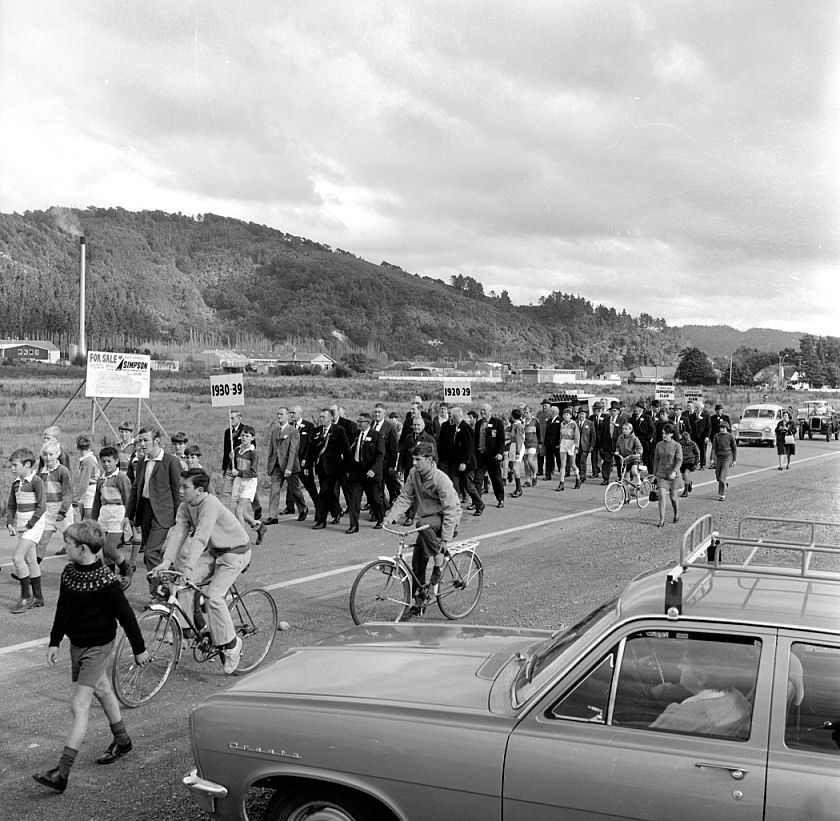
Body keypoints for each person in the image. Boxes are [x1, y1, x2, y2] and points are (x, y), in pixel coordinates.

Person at [33, 520, 149, 793]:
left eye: (68, 544)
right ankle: (123, 741)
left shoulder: (107, 582)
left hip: (99, 646)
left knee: (80, 704)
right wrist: (54, 642)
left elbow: (127, 617)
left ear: (82, 548)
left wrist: (139, 649)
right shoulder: (69, 572)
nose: (64, 547)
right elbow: (62, 608)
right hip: (77, 644)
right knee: (103, 689)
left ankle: (61, 773)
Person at [151, 469, 252, 675]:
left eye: (185, 487)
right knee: (183, 584)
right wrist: (166, 562)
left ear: (199, 490)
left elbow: (201, 537)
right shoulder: (185, 506)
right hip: (214, 552)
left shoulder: (210, 503)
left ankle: (232, 645)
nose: (180, 490)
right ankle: (188, 633)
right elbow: (179, 534)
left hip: (235, 553)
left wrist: (188, 568)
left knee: (213, 597)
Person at [387, 442, 462, 618]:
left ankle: (438, 562)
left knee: (420, 524)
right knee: (417, 562)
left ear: (429, 460)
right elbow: (405, 497)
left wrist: (445, 539)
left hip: (444, 520)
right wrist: (391, 516)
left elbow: (451, 509)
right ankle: (419, 601)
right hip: (427, 523)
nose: (414, 463)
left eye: (418, 459)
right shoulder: (414, 474)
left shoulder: (440, 479)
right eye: (413, 459)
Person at [125, 427, 182, 599]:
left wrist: (179, 521)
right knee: (160, 556)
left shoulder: (171, 462)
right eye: (139, 441)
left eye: (145, 441)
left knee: (150, 554)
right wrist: (128, 515)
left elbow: (178, 492)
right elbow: (136, 489)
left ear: (157, 441)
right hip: (146, 511)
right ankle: (172, 589)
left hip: (164, 514)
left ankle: (160, 594)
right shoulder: (142, 461)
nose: (141, 444)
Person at [649, 642, 752, 738]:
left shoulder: (684, 715)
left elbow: (649, 740)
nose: (679, 667)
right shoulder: (738, 697)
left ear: (701, 678)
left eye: (685, 664)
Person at [6, 448, 47, 613]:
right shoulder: (16, 483)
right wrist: (9, 523)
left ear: (27, 464)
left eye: (15, 465)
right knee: (30, 560)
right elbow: (11, 506)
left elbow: (42, 506)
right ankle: (38, 596)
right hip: (23, 524)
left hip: (34, 525)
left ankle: (25, 597)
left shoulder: (36, 481)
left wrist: (29, 525)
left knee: (17, 558)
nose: (12, 468)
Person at [91, 446, 133, 587]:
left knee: (110, 548)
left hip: (118, 513)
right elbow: (97, 501)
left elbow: (128, 498)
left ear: (116, 461)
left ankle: (125, 569)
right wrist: (93, 520)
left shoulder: (121, 478)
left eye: (109, 461)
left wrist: (128, 517)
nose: (106, 464)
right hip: (104, 513)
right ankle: (110, 577)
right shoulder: (101, 479)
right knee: (104, 551)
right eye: (103, 461)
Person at [33, 441, 74, 564]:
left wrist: (62, 511)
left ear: (57, 454)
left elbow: (68, 493)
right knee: (42, 541)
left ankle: (83, 566)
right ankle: (31, 572)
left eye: (51, 454)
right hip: (47, 511)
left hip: (62, 509)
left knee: (71, 540)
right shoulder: (41, 472)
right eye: (45, 454)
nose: (48, 457)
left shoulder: (63, 471)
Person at [265, 407, 308, 523]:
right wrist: (269, 466)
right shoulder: (274, 431)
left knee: (294, 490)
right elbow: (271, 450)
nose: (279, 416)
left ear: (288, 416)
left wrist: (289, 468)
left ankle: (303, 508)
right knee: (274, 491)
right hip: (276, 467)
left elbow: (293, 451)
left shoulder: (293, 431)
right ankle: (273, 516)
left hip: (290, 467)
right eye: (278, 414)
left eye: (282, 414)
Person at [345, 412, 385, 533]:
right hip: (357, 472)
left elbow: (380, 455)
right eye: (358, 421)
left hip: (370, 472)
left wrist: (373, 470)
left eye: (360, 422)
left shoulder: (377, 436)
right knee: (354, 500)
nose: (358, 424)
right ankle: (353, 525)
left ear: (367, 423)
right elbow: (350, 452)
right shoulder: (356, 435)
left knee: (375, 499)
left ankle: (381, 519)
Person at [310, 408, 350, 529]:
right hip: (321, 467)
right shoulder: (317, 431)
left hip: (334, 468)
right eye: (320, 417)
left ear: (330, 418)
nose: (320, 419)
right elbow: (312, 449)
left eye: (323, 417)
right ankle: (337, 511)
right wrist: (307, 464)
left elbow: (346, 450)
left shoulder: (338, 430)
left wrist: (348, 468)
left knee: (323, 493)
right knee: (329, 492)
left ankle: (321, 520)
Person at [229, 425, 266, 543]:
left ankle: (242, 538)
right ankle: (259, 526)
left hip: (249, 483)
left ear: (252, 438)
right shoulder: (236, 450)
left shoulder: (253, 453)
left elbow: (254, 472)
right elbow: (232, 468)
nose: (244, 437)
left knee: (238, 511)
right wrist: (231, 459)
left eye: (247, 436)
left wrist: (238, 472)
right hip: (239, 482)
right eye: (243, 435)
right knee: (243, 512)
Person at [449, 406, 483, 516]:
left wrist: (464, 462)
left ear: (455, 416)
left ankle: (479, 504)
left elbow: (468, 446)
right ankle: (454, 506)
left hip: (465, 463)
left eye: (451, 415)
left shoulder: (465, 427)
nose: (450, 417)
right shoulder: (456, 427)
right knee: (455, 484)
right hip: (456, 462)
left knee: (469, 486)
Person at [474, 403, 506, 507]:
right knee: (477, 479)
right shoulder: (478, 423)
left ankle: (500, 499)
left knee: (496, 479)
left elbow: (501, 440)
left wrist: (500, 453)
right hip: (481, 456)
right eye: (481, 410)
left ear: (490, 411)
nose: (482, 412)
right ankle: (477, 502)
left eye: (484, 410)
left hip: (493, 456)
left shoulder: (497, 423)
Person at [653, 423, 683, 527]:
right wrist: (654, 474)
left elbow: (679, 460)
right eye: (662, 433)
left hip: (673, 475)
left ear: (671, 434)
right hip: (661, 474)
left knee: (673, 498)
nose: (664, 435)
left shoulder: (677, 446)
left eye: (666, 433)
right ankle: (661, 520)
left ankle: (676, 513)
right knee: (661, 496)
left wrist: (674, 471)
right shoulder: (659, 445)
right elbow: (656, 460)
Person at [290, 405, 319, 511]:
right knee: (292, 485)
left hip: (304, 461)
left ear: (300, 413)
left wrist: (306, 459)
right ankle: (292, 507)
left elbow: (310, 444)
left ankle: (318, 504)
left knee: (309, 484)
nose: (291, 415)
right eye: (291, 413)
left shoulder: (309, 426)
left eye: (294, 413)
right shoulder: (289, 426)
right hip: (292, 461)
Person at [74, 434, 100, 521]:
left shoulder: (87, 461)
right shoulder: (91, 458)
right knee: (84, 514)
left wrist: (76, 498)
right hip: (88, 489)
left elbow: (83, 482)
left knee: (87, 516)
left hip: (89, 490)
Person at [556, 408, 581, 491]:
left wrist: (576, 447)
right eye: (564, 414)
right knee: (562, 464)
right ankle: (561, 483)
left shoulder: (573, 424)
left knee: (572, 464)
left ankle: (578, 478)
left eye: (567, 414)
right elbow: (560, 434)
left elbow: (577, 436)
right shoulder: (561, 423)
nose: (565, 416)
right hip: (563, 443)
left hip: (571, 443)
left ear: (570, 416)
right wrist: (559, 443)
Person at [711, 421, 737, 501]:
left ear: (726, 428)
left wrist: (734, 460)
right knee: (718, 477)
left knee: (722, 477)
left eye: (723, 428)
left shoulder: (730, 436)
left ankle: (722, 494)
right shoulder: (717, 436)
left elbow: (734, 449)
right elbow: (714, 448)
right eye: (720, 428)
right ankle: (725, 484)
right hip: (719, 457)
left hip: (727, 458)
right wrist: (712, 459)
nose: (721, 429)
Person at [615, 421, 644, 488]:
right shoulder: (620, 437)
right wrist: (617, 451)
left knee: (633, 471)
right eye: (623, 429)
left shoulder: (634, 438)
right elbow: (617, 446)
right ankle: (627, 494)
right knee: (626, 478)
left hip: (633, 458)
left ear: (630, 430)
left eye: (626, 429)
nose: (624, 431)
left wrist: (638, 454)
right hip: (624, 459)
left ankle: (639, 479)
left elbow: (639, 447)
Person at [599, 403, 622, 484]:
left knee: (619, 462)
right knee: (607, 461)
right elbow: (601, 433)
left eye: (614, 411)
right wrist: (601, 445)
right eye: (611, 411)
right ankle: (605, 478)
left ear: (618, 412)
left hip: (618, 445)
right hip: (607, 444)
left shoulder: (622, 420)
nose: (612, 412)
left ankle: (620, 477)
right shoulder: (606, 420)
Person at [575, 408, 596, 485]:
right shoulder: (574, 422)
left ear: (585, 415)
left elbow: (593, 436)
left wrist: (592, 445)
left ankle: (582, 476)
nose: (581, 416)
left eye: (582, 414)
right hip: (576, 446)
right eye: (579, 414)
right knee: (577, 461)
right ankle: (579, 474)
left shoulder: (590, 423)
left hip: (585, 446)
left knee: (582, 461)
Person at [508, 408, 525, 497]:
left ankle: (519, 489)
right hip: (513, 446)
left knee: (515, 468)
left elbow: (519, 439)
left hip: (517, 446)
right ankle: (517, 488)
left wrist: (518, 451)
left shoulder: (518, 426)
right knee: (511, 466)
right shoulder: (514, 424)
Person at [522, 405, 541, 488]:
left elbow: (539, 432)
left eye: (527, 412)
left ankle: (534, 474)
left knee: (530, 461)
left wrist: (540, 443)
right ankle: (527, 480)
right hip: (525, 443)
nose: (525, 414)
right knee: (525, 462)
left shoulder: (535, 421)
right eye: (524, 412)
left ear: (530, 412)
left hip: (533, 443)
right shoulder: (523, 421)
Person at [678, 430, 701, 497]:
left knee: (686, 474)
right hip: (682, 462)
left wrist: (696, 463)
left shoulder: (693, 444)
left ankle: (685, 491)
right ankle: (689, 482)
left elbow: (697, 454)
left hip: (690, 461)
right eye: (685, 440)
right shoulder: (680, 444)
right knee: (683, 477)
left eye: (688, 439)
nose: (687, 441)